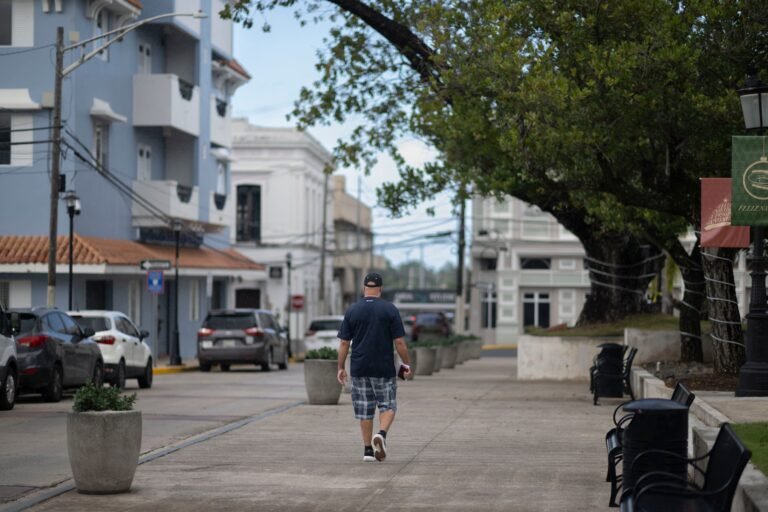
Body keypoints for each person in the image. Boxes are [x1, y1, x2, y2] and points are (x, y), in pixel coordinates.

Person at [337, 272, 412, 462]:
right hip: (383, 368)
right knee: (388, 405)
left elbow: (344, 343)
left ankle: (368, 451)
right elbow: (399, 342)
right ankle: (381, 434)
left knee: (365, 409)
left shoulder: (353, 310)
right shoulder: (390, 309)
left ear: (364, 288)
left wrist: (340, 367)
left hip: (359, 367)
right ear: (380, 289)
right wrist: (406, 363)